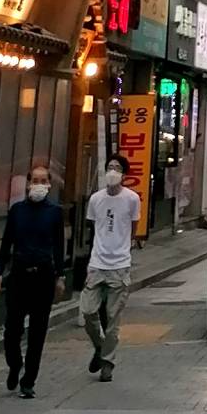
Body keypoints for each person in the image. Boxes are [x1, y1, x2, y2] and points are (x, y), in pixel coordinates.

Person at [0, 162, 65, 398]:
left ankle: (29, 380)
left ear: (49, 184)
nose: (38, 185)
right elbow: (7, 242)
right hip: (18, 275)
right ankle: (15, 365)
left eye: (42, 181)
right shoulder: (17, 211)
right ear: (27, 184)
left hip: (43, 276)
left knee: (38, 331)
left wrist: (60, 276)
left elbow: (58, 246)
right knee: (12, 329)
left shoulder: (54, 212)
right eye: (34, 180)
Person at [80, 156, 141, 383]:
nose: (112, 171)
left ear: (124, 174)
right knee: (88, 312)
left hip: (120, 266)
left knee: (113, 319)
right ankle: (99, 347)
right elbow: (94, 227)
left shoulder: (132, 199)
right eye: (109, 168)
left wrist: (124, 247)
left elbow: (133, 228)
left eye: (117, 168)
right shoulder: (96, 199)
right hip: (97, 264)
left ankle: (108, 362)